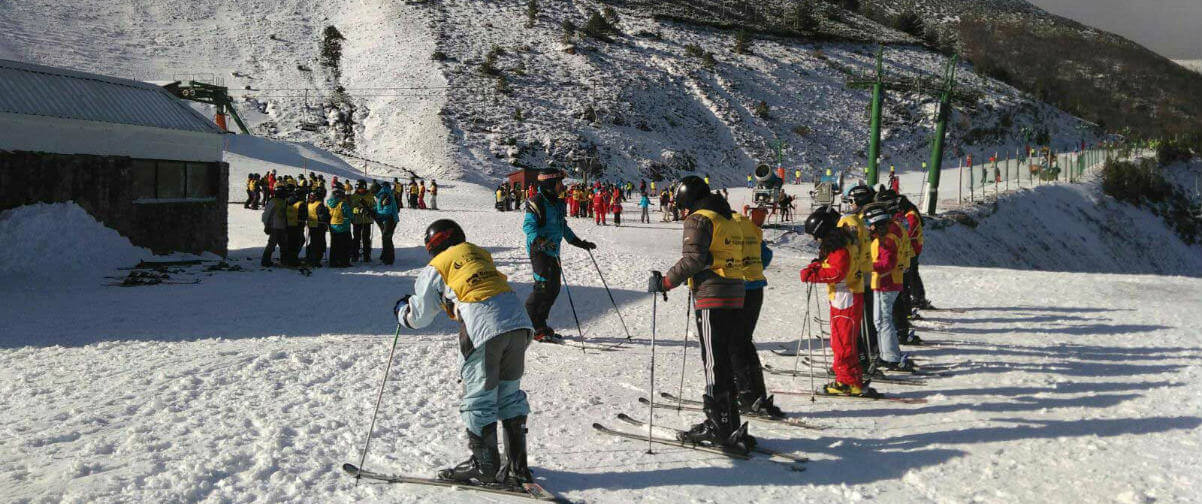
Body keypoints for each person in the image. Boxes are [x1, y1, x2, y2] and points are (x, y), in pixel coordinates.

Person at [395, 219, 535, 487]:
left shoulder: (436, 266)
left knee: (479, 399)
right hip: (518, 323)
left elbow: (420, 316)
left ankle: (486, 468)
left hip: (482, 328)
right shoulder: (478, 252)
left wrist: (403, 311)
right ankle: (518, 468)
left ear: (433, 246)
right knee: (509, 394)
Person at [646, 175, 755, 453]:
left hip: (712, 295)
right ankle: (729, 421)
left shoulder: (699, 219)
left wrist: (666, 282)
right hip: (735, 293)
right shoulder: (728, 217)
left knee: (714, 362)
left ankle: (719, 425)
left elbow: (693, 259)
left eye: (682, 206)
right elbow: (725, 254)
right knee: (725, 360)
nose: (683, 212)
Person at [801, 206, 875, 396]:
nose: (817, 241)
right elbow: (832, 265)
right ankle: (851, 378)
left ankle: (847, 382)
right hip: (844, 297)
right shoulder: (840, 243)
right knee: (841, 340)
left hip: (846, 297)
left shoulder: (841, 249)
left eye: (816, 237)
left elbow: (836, 273)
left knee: (842, 342)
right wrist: (818, 265)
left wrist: (813, 275)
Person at [522, 169, 597, 343]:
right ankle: (530, 325)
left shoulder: (557, 203)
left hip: (553, 250)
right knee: (542, 288)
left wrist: (579, 242)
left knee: (553, 288)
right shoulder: (536, 202)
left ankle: (540, 324)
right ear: (550, 184)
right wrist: (540, 241)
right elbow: (528, 227)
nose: (562, 186)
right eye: (559, 183)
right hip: (539, 250)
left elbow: (563, 227)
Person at [733, 207, 784, 417]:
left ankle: (745, 395)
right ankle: (756, 394)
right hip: (756, 287)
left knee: (734, 344)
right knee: (744, 342)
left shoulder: (729, 226)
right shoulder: (748, 226)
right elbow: (766, 255)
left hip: (738, 289)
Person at [864, 203, 914, 371]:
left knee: (884, 320)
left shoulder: (888, 239)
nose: (868, 228)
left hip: (888, 283)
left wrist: (868, 266)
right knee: (879, 320)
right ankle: (886, 354)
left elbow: (887, 264)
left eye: (869, 224)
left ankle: (891, 356)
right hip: (882, 283)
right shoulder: (883, 237)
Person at [840, 184, 877, 364]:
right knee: (867, 314)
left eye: (852, 201)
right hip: (867, 269)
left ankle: (868, 354)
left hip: (863, 271)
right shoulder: (867, 216)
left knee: (864, 317)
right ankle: (869, 352)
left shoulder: (863, 218)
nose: (851, 205)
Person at [261, 185, 290, 267]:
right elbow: (266, 215)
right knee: (271, 244)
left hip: (282, 227)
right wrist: (267, 225)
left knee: (284, 244)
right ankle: (265, 261)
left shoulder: (284, 201)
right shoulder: (273, 201)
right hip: (274, 227)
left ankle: (284, 260)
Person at [351, 180, 377, 263]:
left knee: (366, 238)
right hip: (357, 220)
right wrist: (357, 210)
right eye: (358, 188)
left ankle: (367, 255)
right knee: (356, 238)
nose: (360, 190)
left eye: (361, 188)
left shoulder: (370, 196)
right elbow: (351, 208)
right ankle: (355, 255)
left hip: (367, 220)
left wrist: (369, 210)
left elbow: (374, 207)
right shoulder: (353, 196)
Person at [326, 188, 353, 268]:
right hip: (343, 227)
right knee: (346, 245)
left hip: (333, 227)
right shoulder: (342, 204)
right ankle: (344, 262)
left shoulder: (329, 203)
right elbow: (349, 214)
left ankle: (333, 262)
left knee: (335, 245)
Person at [376, 182, 399, 265]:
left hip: (389, 219)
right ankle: (385, 256)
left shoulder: (385, 195)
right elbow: (379, 206)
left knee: (387, 239)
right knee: (386, 238)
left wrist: (378, 214)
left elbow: (387, 211)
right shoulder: (386, 194)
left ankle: (389, 259)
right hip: (390, 219)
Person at [305, 190, 330, 267]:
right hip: (319, 226)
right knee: (319, 244)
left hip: (311, 226)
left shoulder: (309, 204)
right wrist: (327, 217)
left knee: (313, 243)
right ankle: (315, 260)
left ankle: (310, 258)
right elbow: (322, 217)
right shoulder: (319, 204)